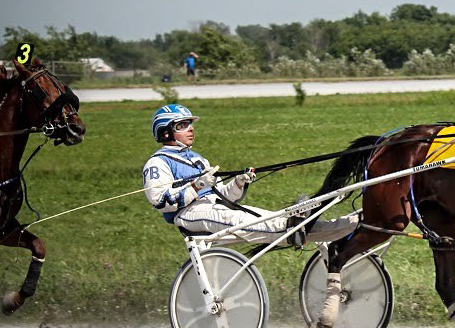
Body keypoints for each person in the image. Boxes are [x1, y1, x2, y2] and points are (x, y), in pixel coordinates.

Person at [142, 103, 359, 247]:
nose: (190, 129)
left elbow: (223, 195)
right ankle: (292, 227)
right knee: (237, 218)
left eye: (190, 124)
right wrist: (197, 186)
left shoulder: (198, 159)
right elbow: (160, 202)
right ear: (166, 132)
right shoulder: (157, 163)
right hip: (189, 215)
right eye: (182, 125)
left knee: (267, 218)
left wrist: (238, 183)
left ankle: (345, 226)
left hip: (215, 207)